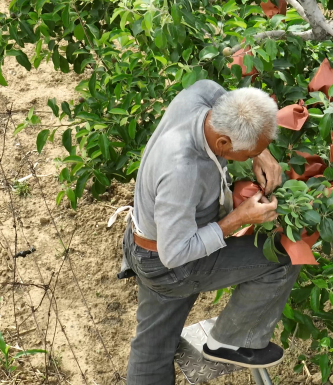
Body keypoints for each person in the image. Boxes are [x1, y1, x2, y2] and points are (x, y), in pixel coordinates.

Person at [114, 80, 302, 385]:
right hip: (170, 263)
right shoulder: (182, 170)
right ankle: (231, 342)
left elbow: (225, 96)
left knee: (153, 346)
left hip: (144, 240)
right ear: (224, 144)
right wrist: (239, 218)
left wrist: (260, 152)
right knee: (283, 257)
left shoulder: (198, 97)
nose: (252, 156)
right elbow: (174, 253)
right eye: (248, 152)